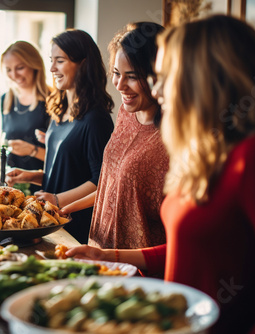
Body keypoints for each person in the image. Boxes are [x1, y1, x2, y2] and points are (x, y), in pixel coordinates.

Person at [67, 15, 255, 333]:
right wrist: (107, 254)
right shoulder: (204, 152)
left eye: (165, 76)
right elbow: (189, 249)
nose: (159, 88)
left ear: (208, 79)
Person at [58, 22, 168, 251]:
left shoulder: (173, 136)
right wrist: (67, 207)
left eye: (132, 76)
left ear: (159, 76)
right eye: (116, 74)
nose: (119, 85)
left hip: (139, 267)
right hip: (100, 253)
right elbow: (114, 184)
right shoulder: (125, 115)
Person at [6, 29, 114, 243]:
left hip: (75, 224)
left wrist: (57, 199)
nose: (52, 68)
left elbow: (101, 180)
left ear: (83, 64)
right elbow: (69, 170)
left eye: (60, 61)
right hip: (50, 222)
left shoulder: (96, 118)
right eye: (51, 61)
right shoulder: (59, 110)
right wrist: (32, 176)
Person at [0, 41, 52, 192]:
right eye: (8, 70)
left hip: (42, 186)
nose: (14, 75)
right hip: (11, 186)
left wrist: (31, 150)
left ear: (34, 65)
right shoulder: (6, 99)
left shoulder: (52, 100)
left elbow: (62, 159)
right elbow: (5, 140)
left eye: (20, 68)